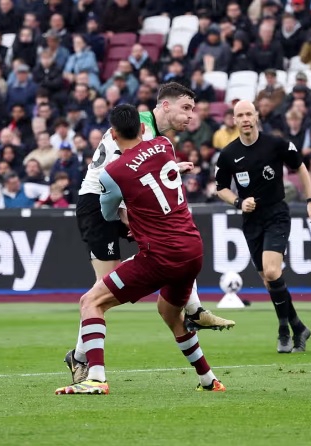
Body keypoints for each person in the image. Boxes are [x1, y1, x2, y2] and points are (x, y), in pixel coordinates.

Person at [69, 82, 234, 383]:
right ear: (164, 106)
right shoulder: (140, 126)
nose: (191, 117)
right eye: (186, 108)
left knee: (173, 236)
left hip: (123, 200)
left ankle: (82, 359)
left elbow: (140, 171)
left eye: (193, 110)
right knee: (103, 287)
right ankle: (81, 358)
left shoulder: (159, 139)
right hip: (99, 203)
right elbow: (118, 175)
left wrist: (171, 169)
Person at [215, 100, 311, 353]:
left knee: (273, 273)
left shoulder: (276, 143)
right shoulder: (228, 153)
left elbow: (300, 167)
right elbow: (220, 189)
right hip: (251, 221)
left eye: (249, 114)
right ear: (234, 120)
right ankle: (299, 326)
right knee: (268, 281)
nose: (245, 119)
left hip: (276, 214)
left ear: (256, 116)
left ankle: (283, 329)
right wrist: (239, 202)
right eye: (240, 115)